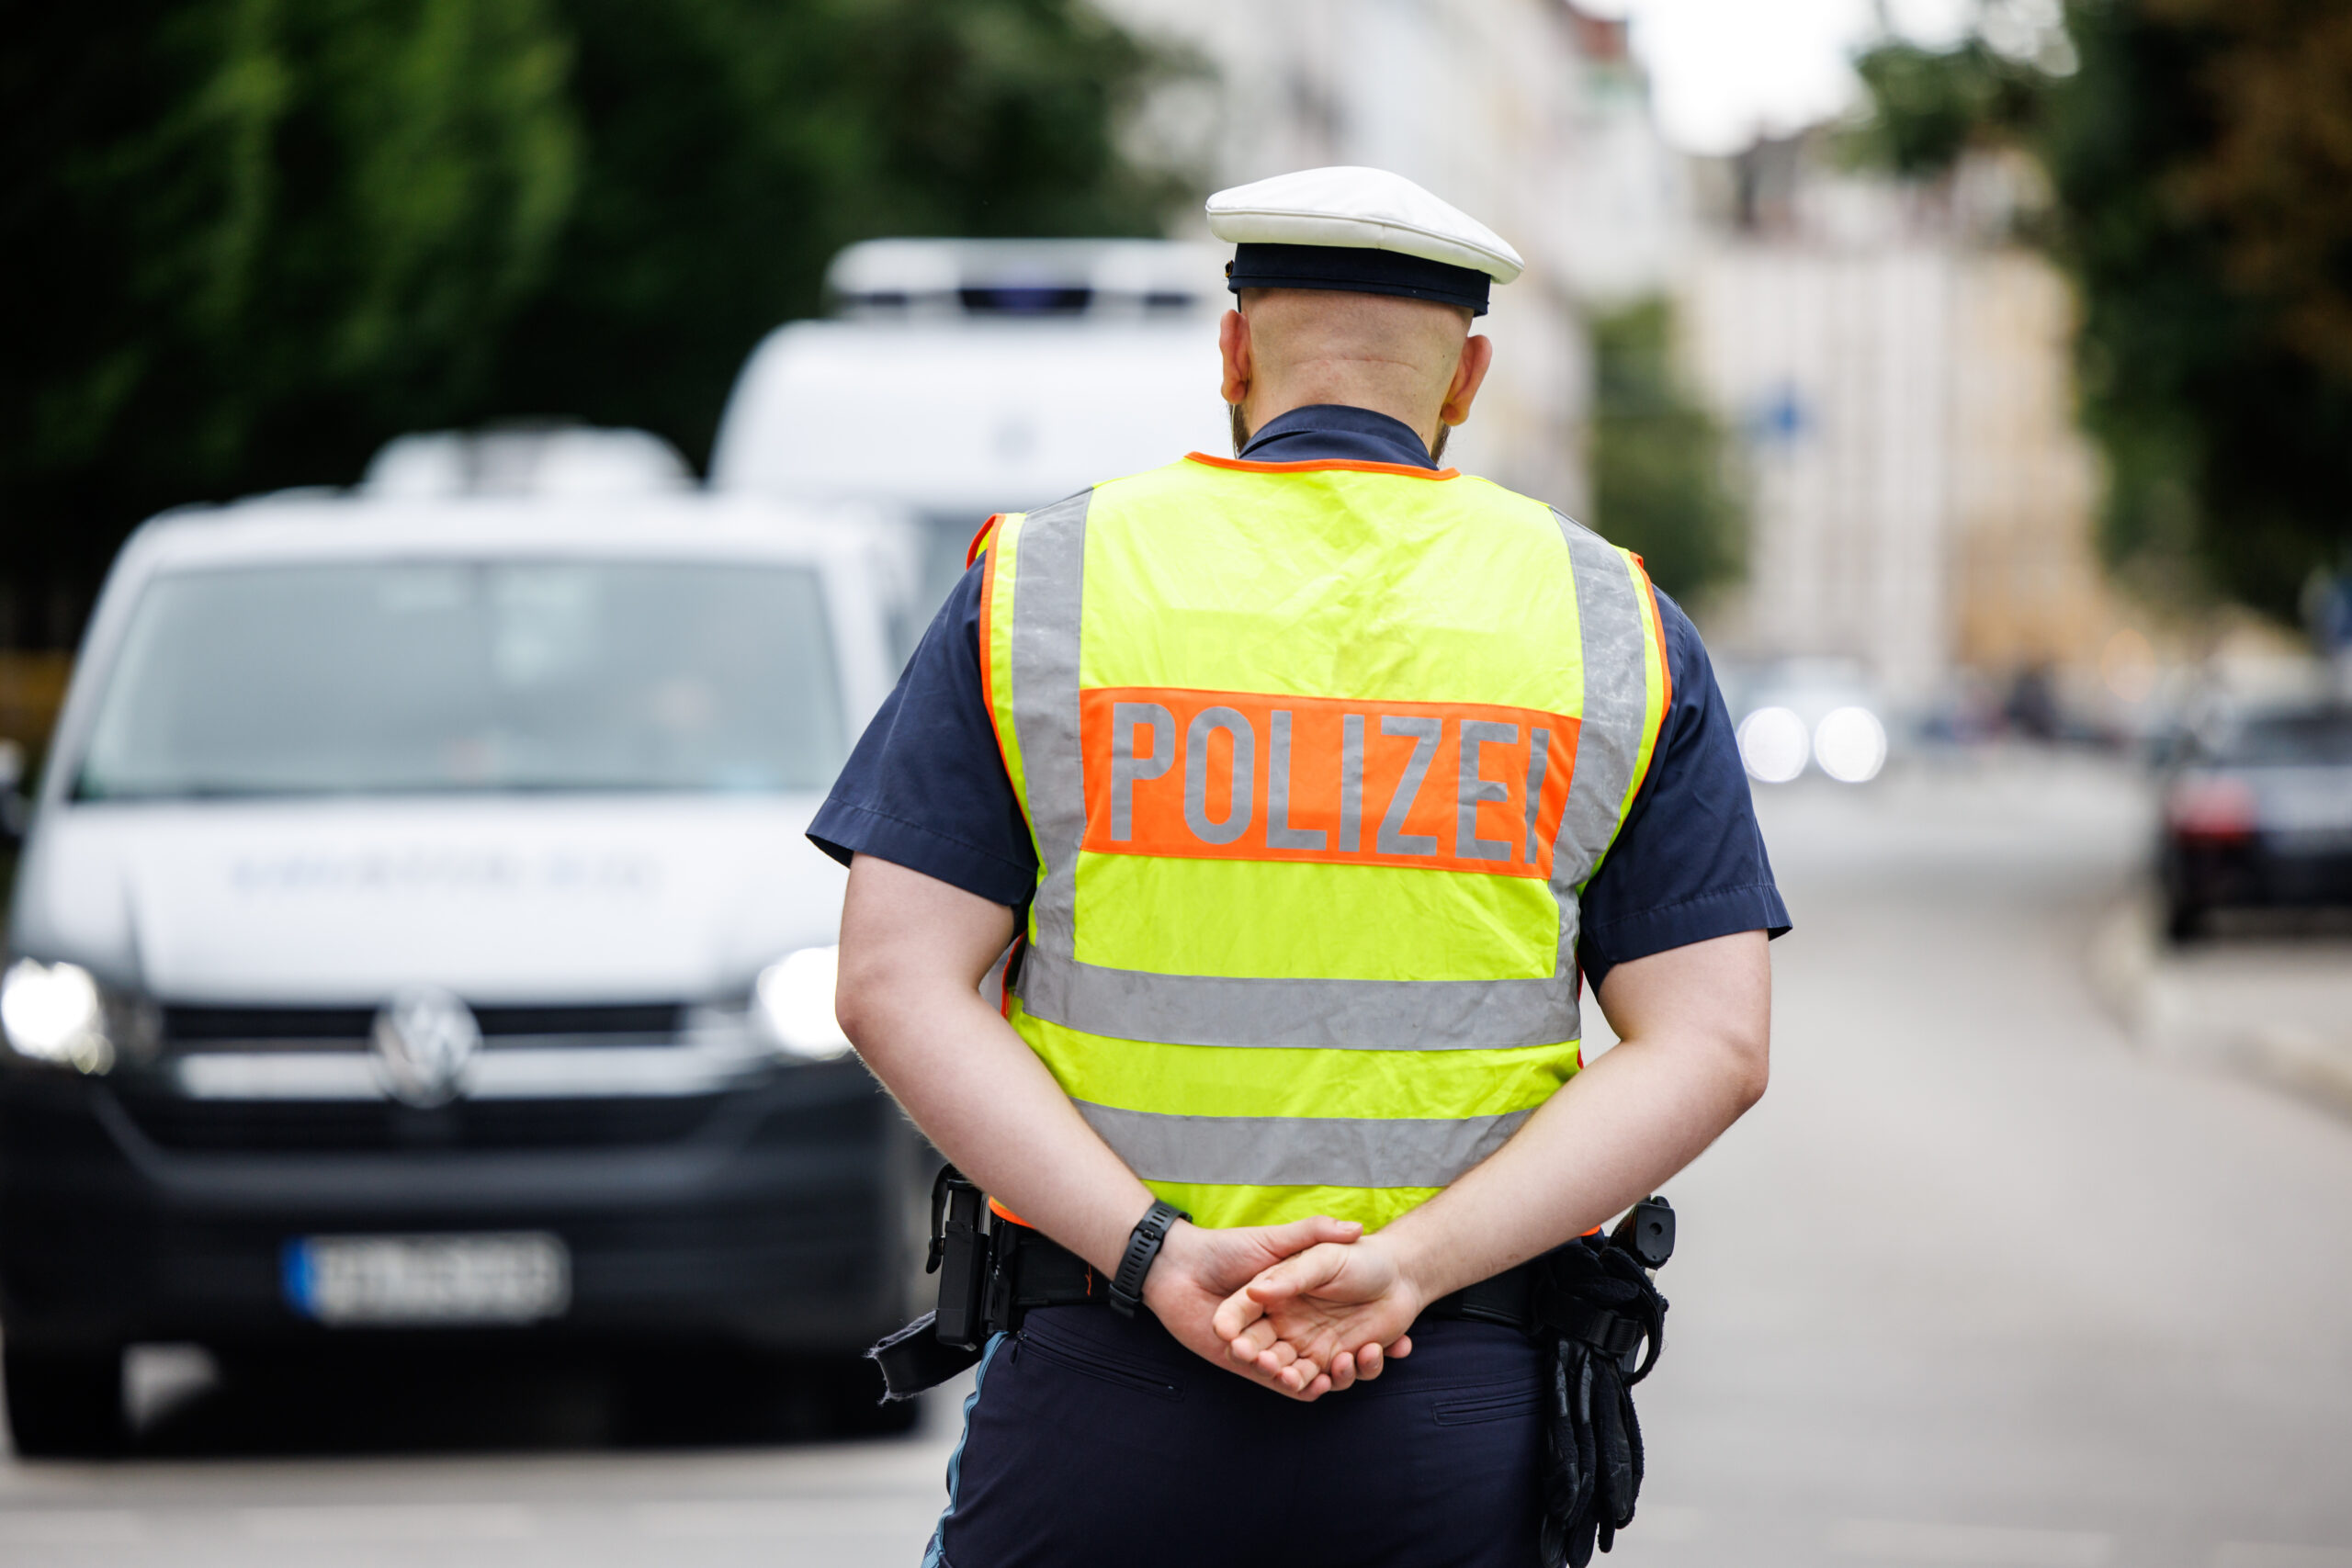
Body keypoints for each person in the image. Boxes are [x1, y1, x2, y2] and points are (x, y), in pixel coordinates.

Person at [817, 165, 1788, 1568]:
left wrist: (1157, 1257)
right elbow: (1713, 1046)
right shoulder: (1611, 623)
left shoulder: (1046, 584)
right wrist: (1404, 1271)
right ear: (1468, 379)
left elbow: (893, 982)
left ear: (1231, 352)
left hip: (1105, 1379)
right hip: (1451, 1397)